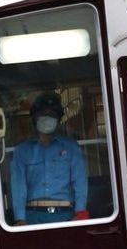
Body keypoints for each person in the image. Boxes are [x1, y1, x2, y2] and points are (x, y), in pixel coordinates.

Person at [10, 92, 89, 225]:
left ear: (59, 119)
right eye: (43, 114)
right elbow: (18, 186)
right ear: (34, 117)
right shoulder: (22, 151)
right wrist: (20, 218)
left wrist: (80, 213)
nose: (47, 119)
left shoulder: (71, 148)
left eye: (52, 115)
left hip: (66, 215)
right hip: (32, 217)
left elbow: (80, 182)